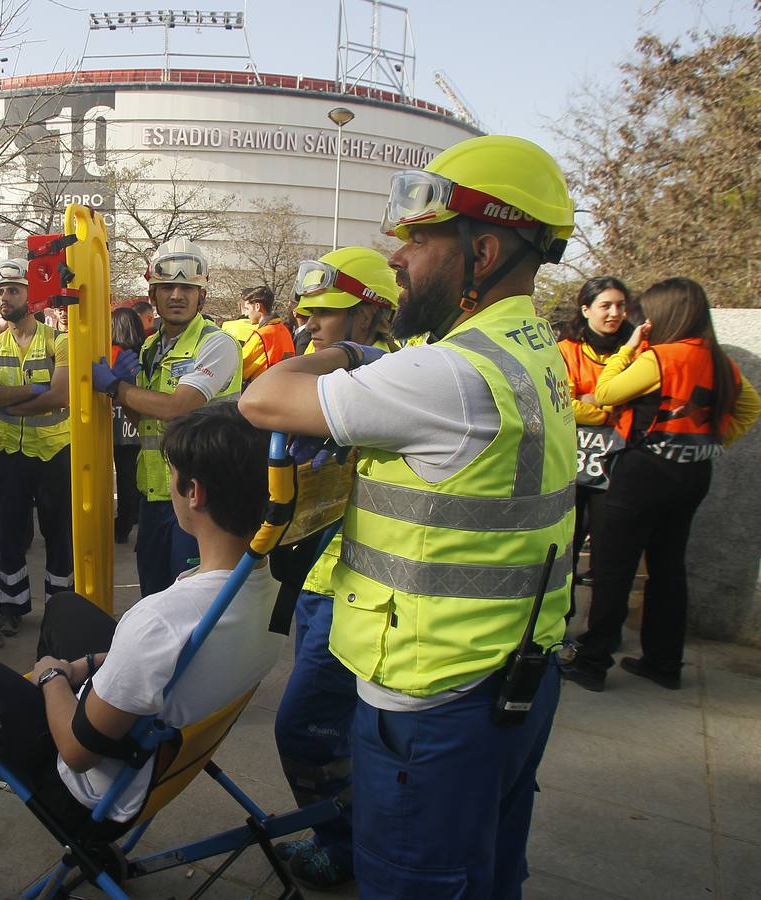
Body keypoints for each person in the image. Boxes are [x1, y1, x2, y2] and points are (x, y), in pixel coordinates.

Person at [240, 134, 579, 898]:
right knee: (487, 874)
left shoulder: (447, 374)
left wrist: (350, 356)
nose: (396, 260)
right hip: (509, 675)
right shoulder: (531, 350)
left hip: (432, 697)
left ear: (482, 252)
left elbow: (264, 397)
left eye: (419, 241)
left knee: (415, 882)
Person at [0, 403, 284, 871]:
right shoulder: (270, 589)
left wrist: (51, 679)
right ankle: (23, 736)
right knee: (65, 608)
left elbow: (78, 752)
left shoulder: (161, 621)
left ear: (194, 492)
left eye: (171, 474)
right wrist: (83, 666)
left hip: (90, 798)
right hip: (161, 760)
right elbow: (167, 656)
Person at [268, 247, 399, 889]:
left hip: (361, 588)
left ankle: (343, 840)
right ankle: (354, 830)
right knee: (336, 724)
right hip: (320, 580)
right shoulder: (339, 383)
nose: (312, 324)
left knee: (305, 726)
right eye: (307, 314)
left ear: (370, 317)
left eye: (327, 313)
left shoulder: (387, 376)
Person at [565, 277, 759, 692]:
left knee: (614, 568)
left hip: (643, 471)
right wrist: (714, 441)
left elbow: (606, 391)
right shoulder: (720, 361)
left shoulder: (660, 358)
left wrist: (628, 351)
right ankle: (664, 662)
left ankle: (592, 662)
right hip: (692, 476)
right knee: (668, 568)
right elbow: (750, 406)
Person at [92, 238, 240, 599]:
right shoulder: (148, 347)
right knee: (154, 598)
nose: (177, 295)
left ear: (201, 296)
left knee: (190, 604)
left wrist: (116, 388)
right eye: (167, 287)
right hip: (155, 494)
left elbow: (178, 407)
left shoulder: (216, 344)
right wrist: (127, 387)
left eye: (187, 288)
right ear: (153, 295)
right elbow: (141, 418)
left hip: (201, 498)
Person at [0, 258, 74, 637]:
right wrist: (34, 392)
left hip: (52, 453)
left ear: (33, 296)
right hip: (7, 455)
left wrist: (8, 402)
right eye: (0, 291)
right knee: (9, 533)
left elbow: (61, 395)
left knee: (58, 533)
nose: (4, 298)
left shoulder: (59, 342)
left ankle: (60, 608)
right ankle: (10, 607)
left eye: (13, 290)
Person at [557, 277, 632, 595]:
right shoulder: (566, 350)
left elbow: (638, 401)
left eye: (620, 305)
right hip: (569, 461)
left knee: (611, 547)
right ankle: (560, 620)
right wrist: (606, 410)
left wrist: (595, 398)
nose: (614, 313)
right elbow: (565, 404)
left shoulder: (636, 350)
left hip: (616, 462)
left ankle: (601, 635)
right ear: (586, 310)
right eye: (606, 306)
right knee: (565, 546)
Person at [109, 306, 146, 545]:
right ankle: (133, 517)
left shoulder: (112, 353)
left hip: (115, 424)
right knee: (136, 475)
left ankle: (121, 525)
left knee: (122, 476)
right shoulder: (147, 351)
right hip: (140, 421)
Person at [236, 285, 295, 384]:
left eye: (247, 308)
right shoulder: (284, 330)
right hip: (284, 387)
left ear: (257, 306)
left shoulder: (261, 335)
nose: (246, 314)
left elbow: (240, 368)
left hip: (262, 389)